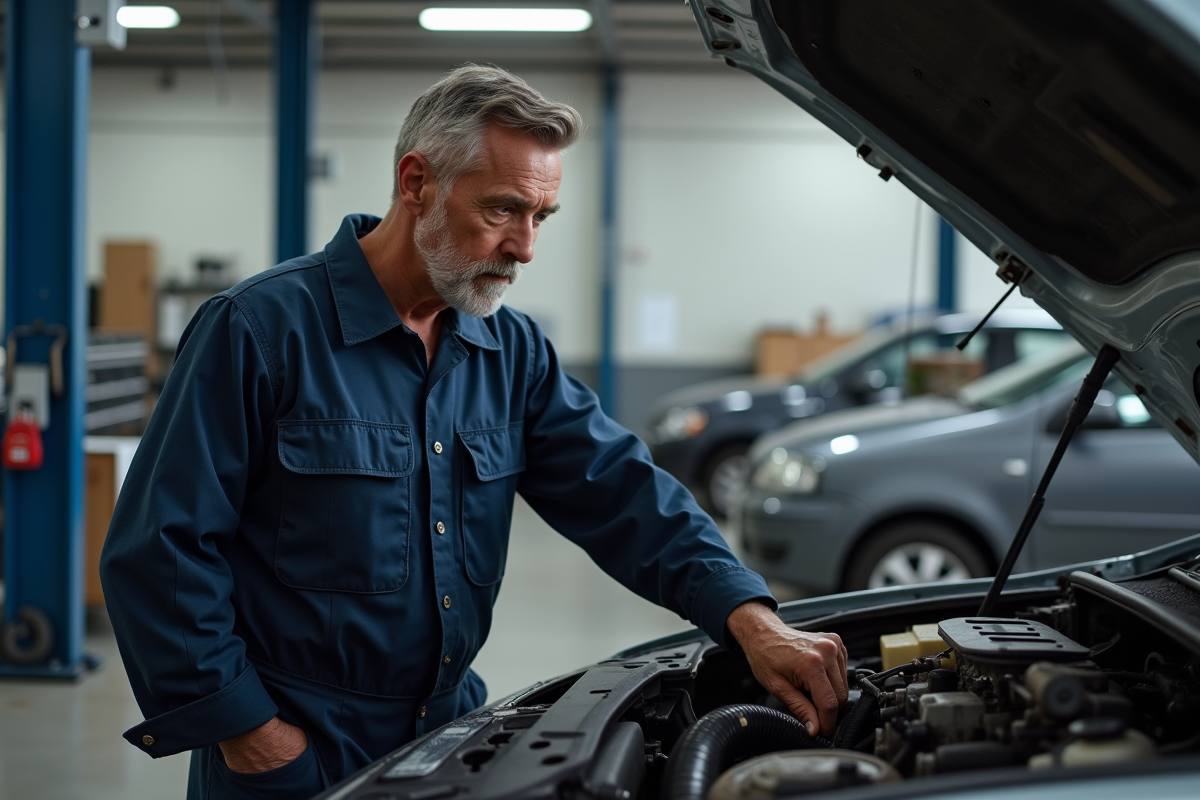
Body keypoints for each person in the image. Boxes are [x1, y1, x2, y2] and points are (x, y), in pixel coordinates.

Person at [100, 65, 847, 800]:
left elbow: (624, 493)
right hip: (299, 748)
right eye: (502, 211)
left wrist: (750, 619)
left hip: (448, 738)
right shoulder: (261, 331)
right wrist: (254, 736)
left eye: (540, 217)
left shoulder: (510, 353)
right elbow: (159, 551)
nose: (525, 248)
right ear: (416, 182)